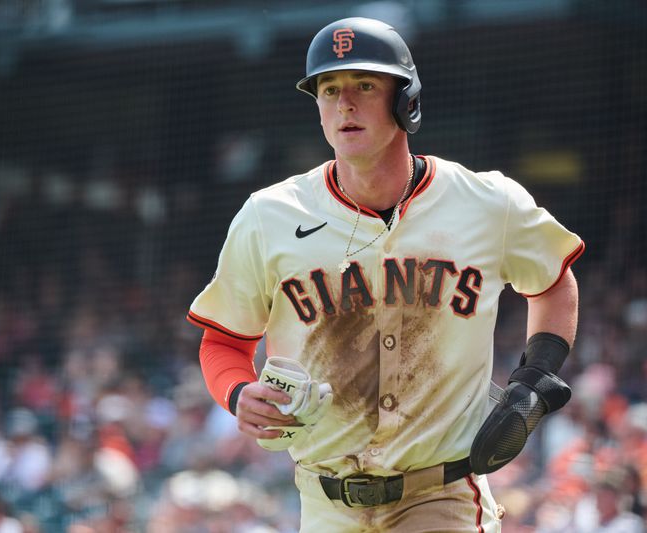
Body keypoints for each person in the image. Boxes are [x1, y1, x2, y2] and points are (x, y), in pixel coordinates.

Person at [188, 16, 584, 532]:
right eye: (328, 89)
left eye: (365, 85)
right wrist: (239, 394)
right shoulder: (268, 216)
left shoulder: (488, 203)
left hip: (441, 496)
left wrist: (534, 381)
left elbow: (553, 283)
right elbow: (222, 342)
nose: (344, 103)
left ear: (406, 101)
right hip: (324, 501)